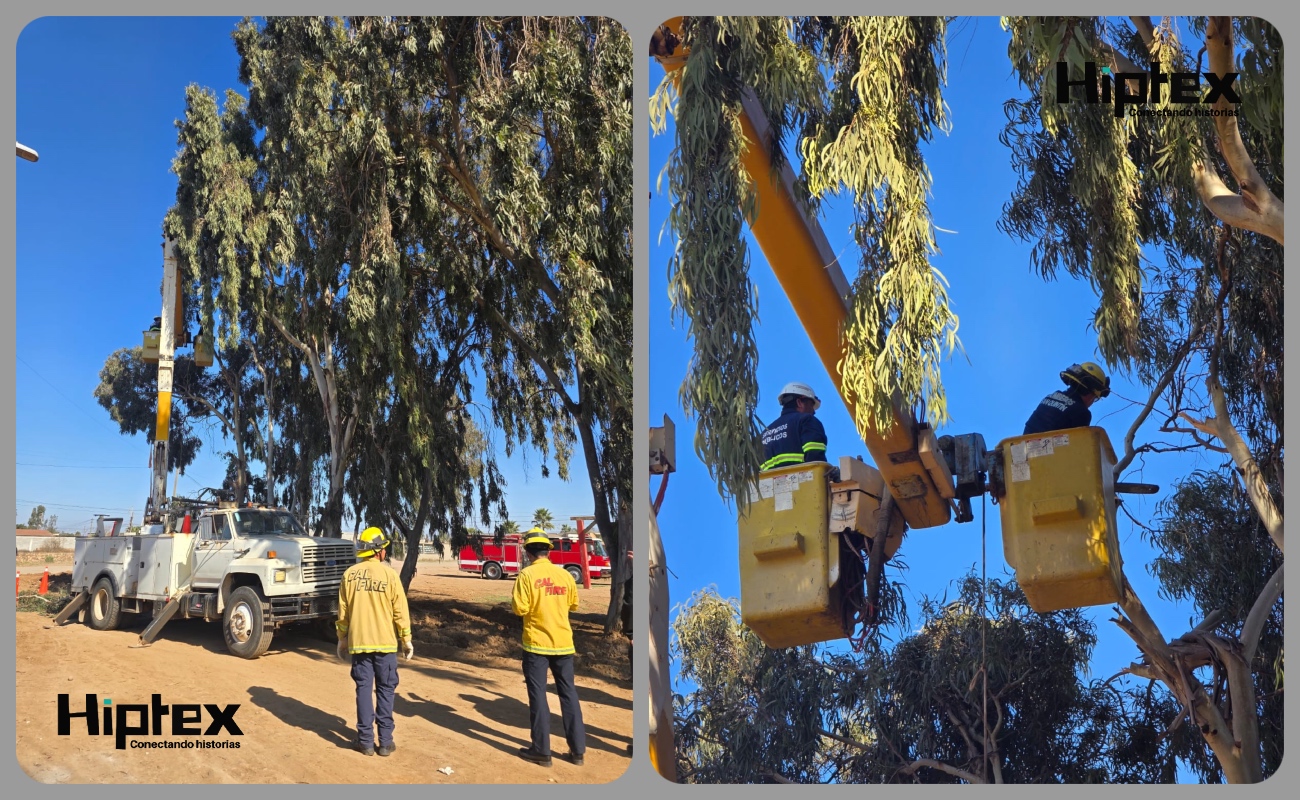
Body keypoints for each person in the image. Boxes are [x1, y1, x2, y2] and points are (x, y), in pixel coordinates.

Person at [511, 528, 586, 768]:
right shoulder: (565, 575)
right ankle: (578, 752)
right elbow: (573, 605)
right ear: (548, 550)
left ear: (528, 551)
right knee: (569, 694)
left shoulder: (526, 576)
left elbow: (519, 609)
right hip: (564, 644)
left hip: (536, 645)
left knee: (538, 696)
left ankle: (542, 751)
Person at [336, 527, 413, 757]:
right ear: (378, 551)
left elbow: (343, 613)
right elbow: (400, 611)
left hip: (359, 645)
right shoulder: (390, 576)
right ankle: (386, 743)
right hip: (386, 645)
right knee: (386, 691)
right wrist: (406, 639)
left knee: (363, 690)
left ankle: (366, 742)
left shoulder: (349, 575)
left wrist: (342, 640)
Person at [1023, 362, 1111, 435]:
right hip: (1051, 455)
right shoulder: (1082, 413)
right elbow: (1080, 447)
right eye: (1095, 398)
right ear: (1091, 394)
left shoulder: (1051, 396)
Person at [761, 381, 829, 471]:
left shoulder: (764, 433)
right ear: (799, 402)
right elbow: (815, 458)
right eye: (811, 405)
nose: (813, 411)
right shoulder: (806, 421)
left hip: (768, 484)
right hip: (802, 483)